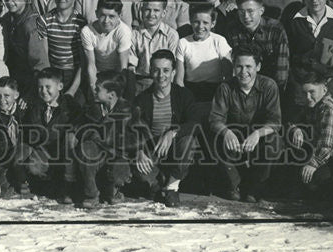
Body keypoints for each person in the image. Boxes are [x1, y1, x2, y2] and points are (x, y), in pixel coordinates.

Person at [208, 44, 282, 202]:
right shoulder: (226, 88)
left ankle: (256, 187)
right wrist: (226, 132)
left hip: (258, 137)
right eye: (239, 67)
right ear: (233, 67)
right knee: (216, 138)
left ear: (258, 66)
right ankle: (234, 185)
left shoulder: (269, 86)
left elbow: (275, 121)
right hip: (235, 136)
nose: (244, 72)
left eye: (249, 66)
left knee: (274, 142)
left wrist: (257, 134)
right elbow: (215, 119)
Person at [132, 50, 201, 207]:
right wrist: (138, 151)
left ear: (174, 72)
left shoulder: (184, 95)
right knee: (138, 165)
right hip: (153, 148)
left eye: (166, 70)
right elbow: (133, 128)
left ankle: (171, 187)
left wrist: (172, 133)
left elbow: (195, 123)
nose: (161, 75)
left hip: (175, 148)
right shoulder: (141, 99)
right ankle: (158, 187)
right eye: (156, 70)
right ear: (150, 71)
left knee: (189, 142)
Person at [283, 0, 333, 118]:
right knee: (297, 120)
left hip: (328, 80)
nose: (314, 0)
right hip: (301, 81)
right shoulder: (294, 21)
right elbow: (288, 53)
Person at [294, 65, 333, 202]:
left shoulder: (328, 109)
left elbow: (326, 145)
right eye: (305, 93)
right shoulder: (312, 104)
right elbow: (295, 120)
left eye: (312, 92)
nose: (308, 97)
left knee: (312, 182)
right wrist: (296, 129)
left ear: (324, 89)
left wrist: (312, 164)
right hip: (325, 158)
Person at [74, 72, 136, 209]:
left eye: (98, 89)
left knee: (118, 169)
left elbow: (134, 139)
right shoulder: (92, 109)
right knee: (86, 147)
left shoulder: (128, 111)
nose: (94, 91)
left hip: (117, 155)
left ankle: (113, 190)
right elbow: (79, 128)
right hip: (96, 155)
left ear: (111, 95)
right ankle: (91, 193)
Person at [20, 68, 81, 202]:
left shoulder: (70, 106)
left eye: (48, 87)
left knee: (71, 139)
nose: (43, 91)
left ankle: (68, 186)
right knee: (34, 166)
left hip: (64, 154)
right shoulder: (35, 106)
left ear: (60, 86)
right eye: (40, 87)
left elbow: (77, 128)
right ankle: (45, 183)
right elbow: (30, 131)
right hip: (45, 151)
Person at [224, 0, 290, 93]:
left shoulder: (275, 29)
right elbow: (231, 64)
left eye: (250, 11)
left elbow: (281, 68)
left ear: (261, 11)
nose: (246, 16)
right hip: (242, 86)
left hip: (269, 86)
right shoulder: (233, 30)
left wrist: (276, 92)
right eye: (241, 11)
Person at [175, 4, 232, 114]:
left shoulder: (219, 41)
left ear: (213, 24)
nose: (200, 26)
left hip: (215, 91)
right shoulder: (183, 42)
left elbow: (228, 74)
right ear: (191, 22)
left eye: (205, 23)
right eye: (196, 22)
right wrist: (184, 99)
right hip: (191, 91)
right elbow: (179, 79)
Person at [1, 0, 49, 98]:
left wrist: (30, 94)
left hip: (32, 83)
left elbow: (40, 65)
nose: (9, 2)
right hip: (16, 77)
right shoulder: (9, 18)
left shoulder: (31, 25)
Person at [128, 0, 180, 95]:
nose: (151, 14)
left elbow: (173, 66)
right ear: (141, 10)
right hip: (141, 82)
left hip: (164, 81)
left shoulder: (171, 35)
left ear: (163, 13)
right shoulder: (133, 34)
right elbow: (131, 67)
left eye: (156, 10)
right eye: (147, 10)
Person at [44, 0, 86, 100]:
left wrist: (72, 90)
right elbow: (44, 53)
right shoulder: (46, 20)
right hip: (53, 72)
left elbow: (83, 61)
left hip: (73, 74)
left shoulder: (80, 22)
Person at [81, 0, 132, 93]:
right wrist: (94, 89)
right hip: (98, 72)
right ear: (96, 13)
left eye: (111, 16)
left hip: (116, 72)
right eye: (102, 15)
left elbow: (123, 67)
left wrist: (116, 92)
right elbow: (91, 65)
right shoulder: (87, 31)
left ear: (120, 16)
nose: (106, 21)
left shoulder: (124, 31)